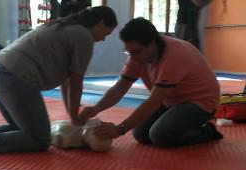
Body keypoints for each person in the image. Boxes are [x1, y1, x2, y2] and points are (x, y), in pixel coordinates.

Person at [0, 6, 117, 155]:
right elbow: (77, 83)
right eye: (106, 33)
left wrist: (73, 116)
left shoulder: (65, 26)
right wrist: (76, 119)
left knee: (19, 127)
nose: (103, 39)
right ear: (100, 23)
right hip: (15, 76)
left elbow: (67, 83)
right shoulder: (84, 36)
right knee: (40, 139)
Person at [80, 17, 222, 148]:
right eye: (129, 52)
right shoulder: (137, 56)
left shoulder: (174, 55)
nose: (133, 57)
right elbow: (120, 88)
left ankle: (208, 131)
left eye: (137, 51)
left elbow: (153, 101)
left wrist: (119, 129)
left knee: (160, 135)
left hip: (201, 103)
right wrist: (96, 108)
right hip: (172, 101)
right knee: (140, 134)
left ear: (153, 43)